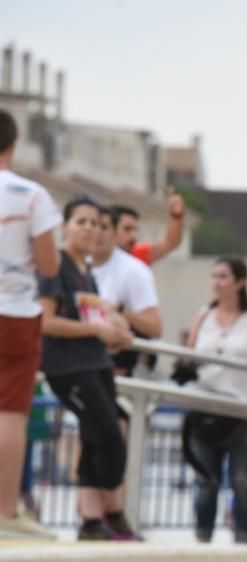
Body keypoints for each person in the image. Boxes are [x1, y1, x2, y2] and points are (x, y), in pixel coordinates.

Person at [38, 195, 135, 540]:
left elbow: (93, 321)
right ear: (65, 227)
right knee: (108, 436)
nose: (90, 230)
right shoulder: (55, 267)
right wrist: (97, 330)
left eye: (96, 223)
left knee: (100, 437)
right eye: (82, 222)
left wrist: (114, 334)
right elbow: (46, 322)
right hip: (69, 368)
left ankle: (94, 520)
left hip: (97, 362)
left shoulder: (88, 275)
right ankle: (111, 508)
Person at [183, 257, 247, 544]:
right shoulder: (203, 315)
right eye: (214, 276)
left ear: (239, 282)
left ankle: (245, 543)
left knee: (243, 482)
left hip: (245, 412)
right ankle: (202, 542)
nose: (217, 282)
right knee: (205, 482)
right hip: (206, 408)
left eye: (224, 276)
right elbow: (189, 358)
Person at [0, 109, 60, 540]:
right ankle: (6, 509)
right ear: (13, 145)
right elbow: (49, 263)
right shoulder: (31, 195)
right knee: (10, 414)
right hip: (16, 312)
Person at [91, 206, 162, 375]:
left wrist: (121, 310)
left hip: (120, 368)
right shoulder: (74, 265)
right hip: (80, 359)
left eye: (104, 227)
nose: (96, 232)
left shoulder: (134, 270)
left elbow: (155, 328)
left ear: (115, 233)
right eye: (92, 224)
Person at [111, 189, 185, 266]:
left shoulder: (136, 256)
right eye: (127, 229)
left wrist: (176, 215)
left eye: (136, 230)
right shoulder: (98, 259)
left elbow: (170, 242)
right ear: (111, 229)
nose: (134, 236)